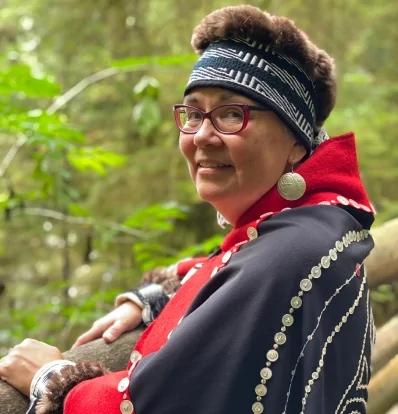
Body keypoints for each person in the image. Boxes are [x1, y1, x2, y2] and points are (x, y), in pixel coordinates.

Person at [0, 5, 376, 414]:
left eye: (233, 114)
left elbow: (154, 404)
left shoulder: (287, 257)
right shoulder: (310, 228)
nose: (202, 136)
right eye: (193, 113)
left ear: (296, 143)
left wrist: (50, 379)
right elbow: (234, 275)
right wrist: (157, 299)